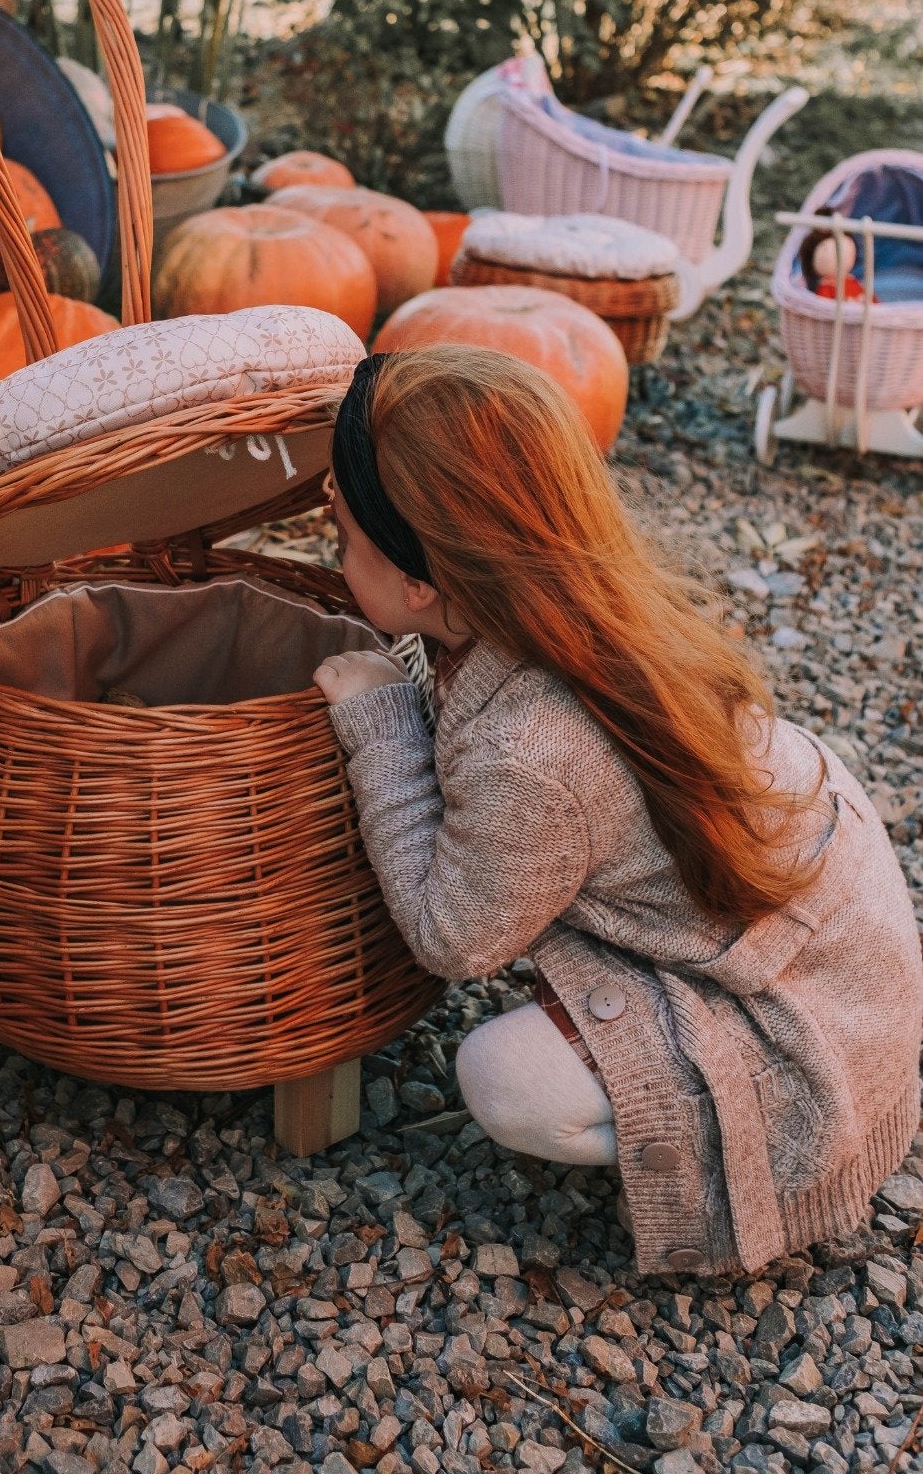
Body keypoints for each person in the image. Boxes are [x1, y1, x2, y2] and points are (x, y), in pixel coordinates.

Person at [314, 347, 922, 1278]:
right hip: (837, 929)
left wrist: (381, 723)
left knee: (500, 1078)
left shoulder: (533, 749)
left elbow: (453, 936)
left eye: (342, 538)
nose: (331, 550)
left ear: (422, 584)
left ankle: (733, 1146)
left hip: (810, 1018)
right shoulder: (593, 602)